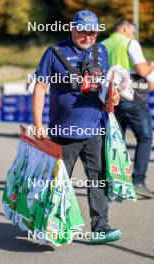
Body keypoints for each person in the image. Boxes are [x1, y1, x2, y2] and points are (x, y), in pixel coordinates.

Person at [32, 10, 122, 244]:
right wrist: (38, 124)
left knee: (98, 180)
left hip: (95, 129)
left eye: (93, 32)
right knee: (57, 183)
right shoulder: (54, 52)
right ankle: (50, 226)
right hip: (63, 132)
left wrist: (114, 95)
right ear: (72, 28)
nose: (88, 37)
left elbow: (105, 86)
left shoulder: (101, 50)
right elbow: (40, 88)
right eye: (83, 31)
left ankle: (100, 226)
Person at [103, 19, 154, 198]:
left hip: (109, 98)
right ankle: (138, 181)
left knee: (117, 141)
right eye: (133, 31)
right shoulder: (130, 43)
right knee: (145, 137)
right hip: (131, 97)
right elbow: (142, 71)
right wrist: (151, 66)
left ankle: (115, 183)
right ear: (125, 28)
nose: (134, 35)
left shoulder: (103, 44)